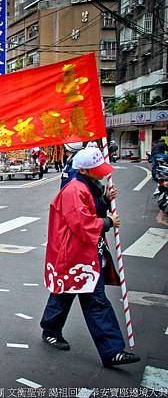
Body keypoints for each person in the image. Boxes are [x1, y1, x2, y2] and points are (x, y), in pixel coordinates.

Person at [40, 145, 140, 368]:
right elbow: (82, 223)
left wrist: (104, 199)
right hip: (75, 253)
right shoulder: (75, 189)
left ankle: (53, 329)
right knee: (83, 297)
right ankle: (111, 350)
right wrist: (107, 222)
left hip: (85, 252)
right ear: (84, 170)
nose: (102, 171)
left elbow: (91, 211)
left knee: (73, 295)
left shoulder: (88, 184)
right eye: (97, 167)